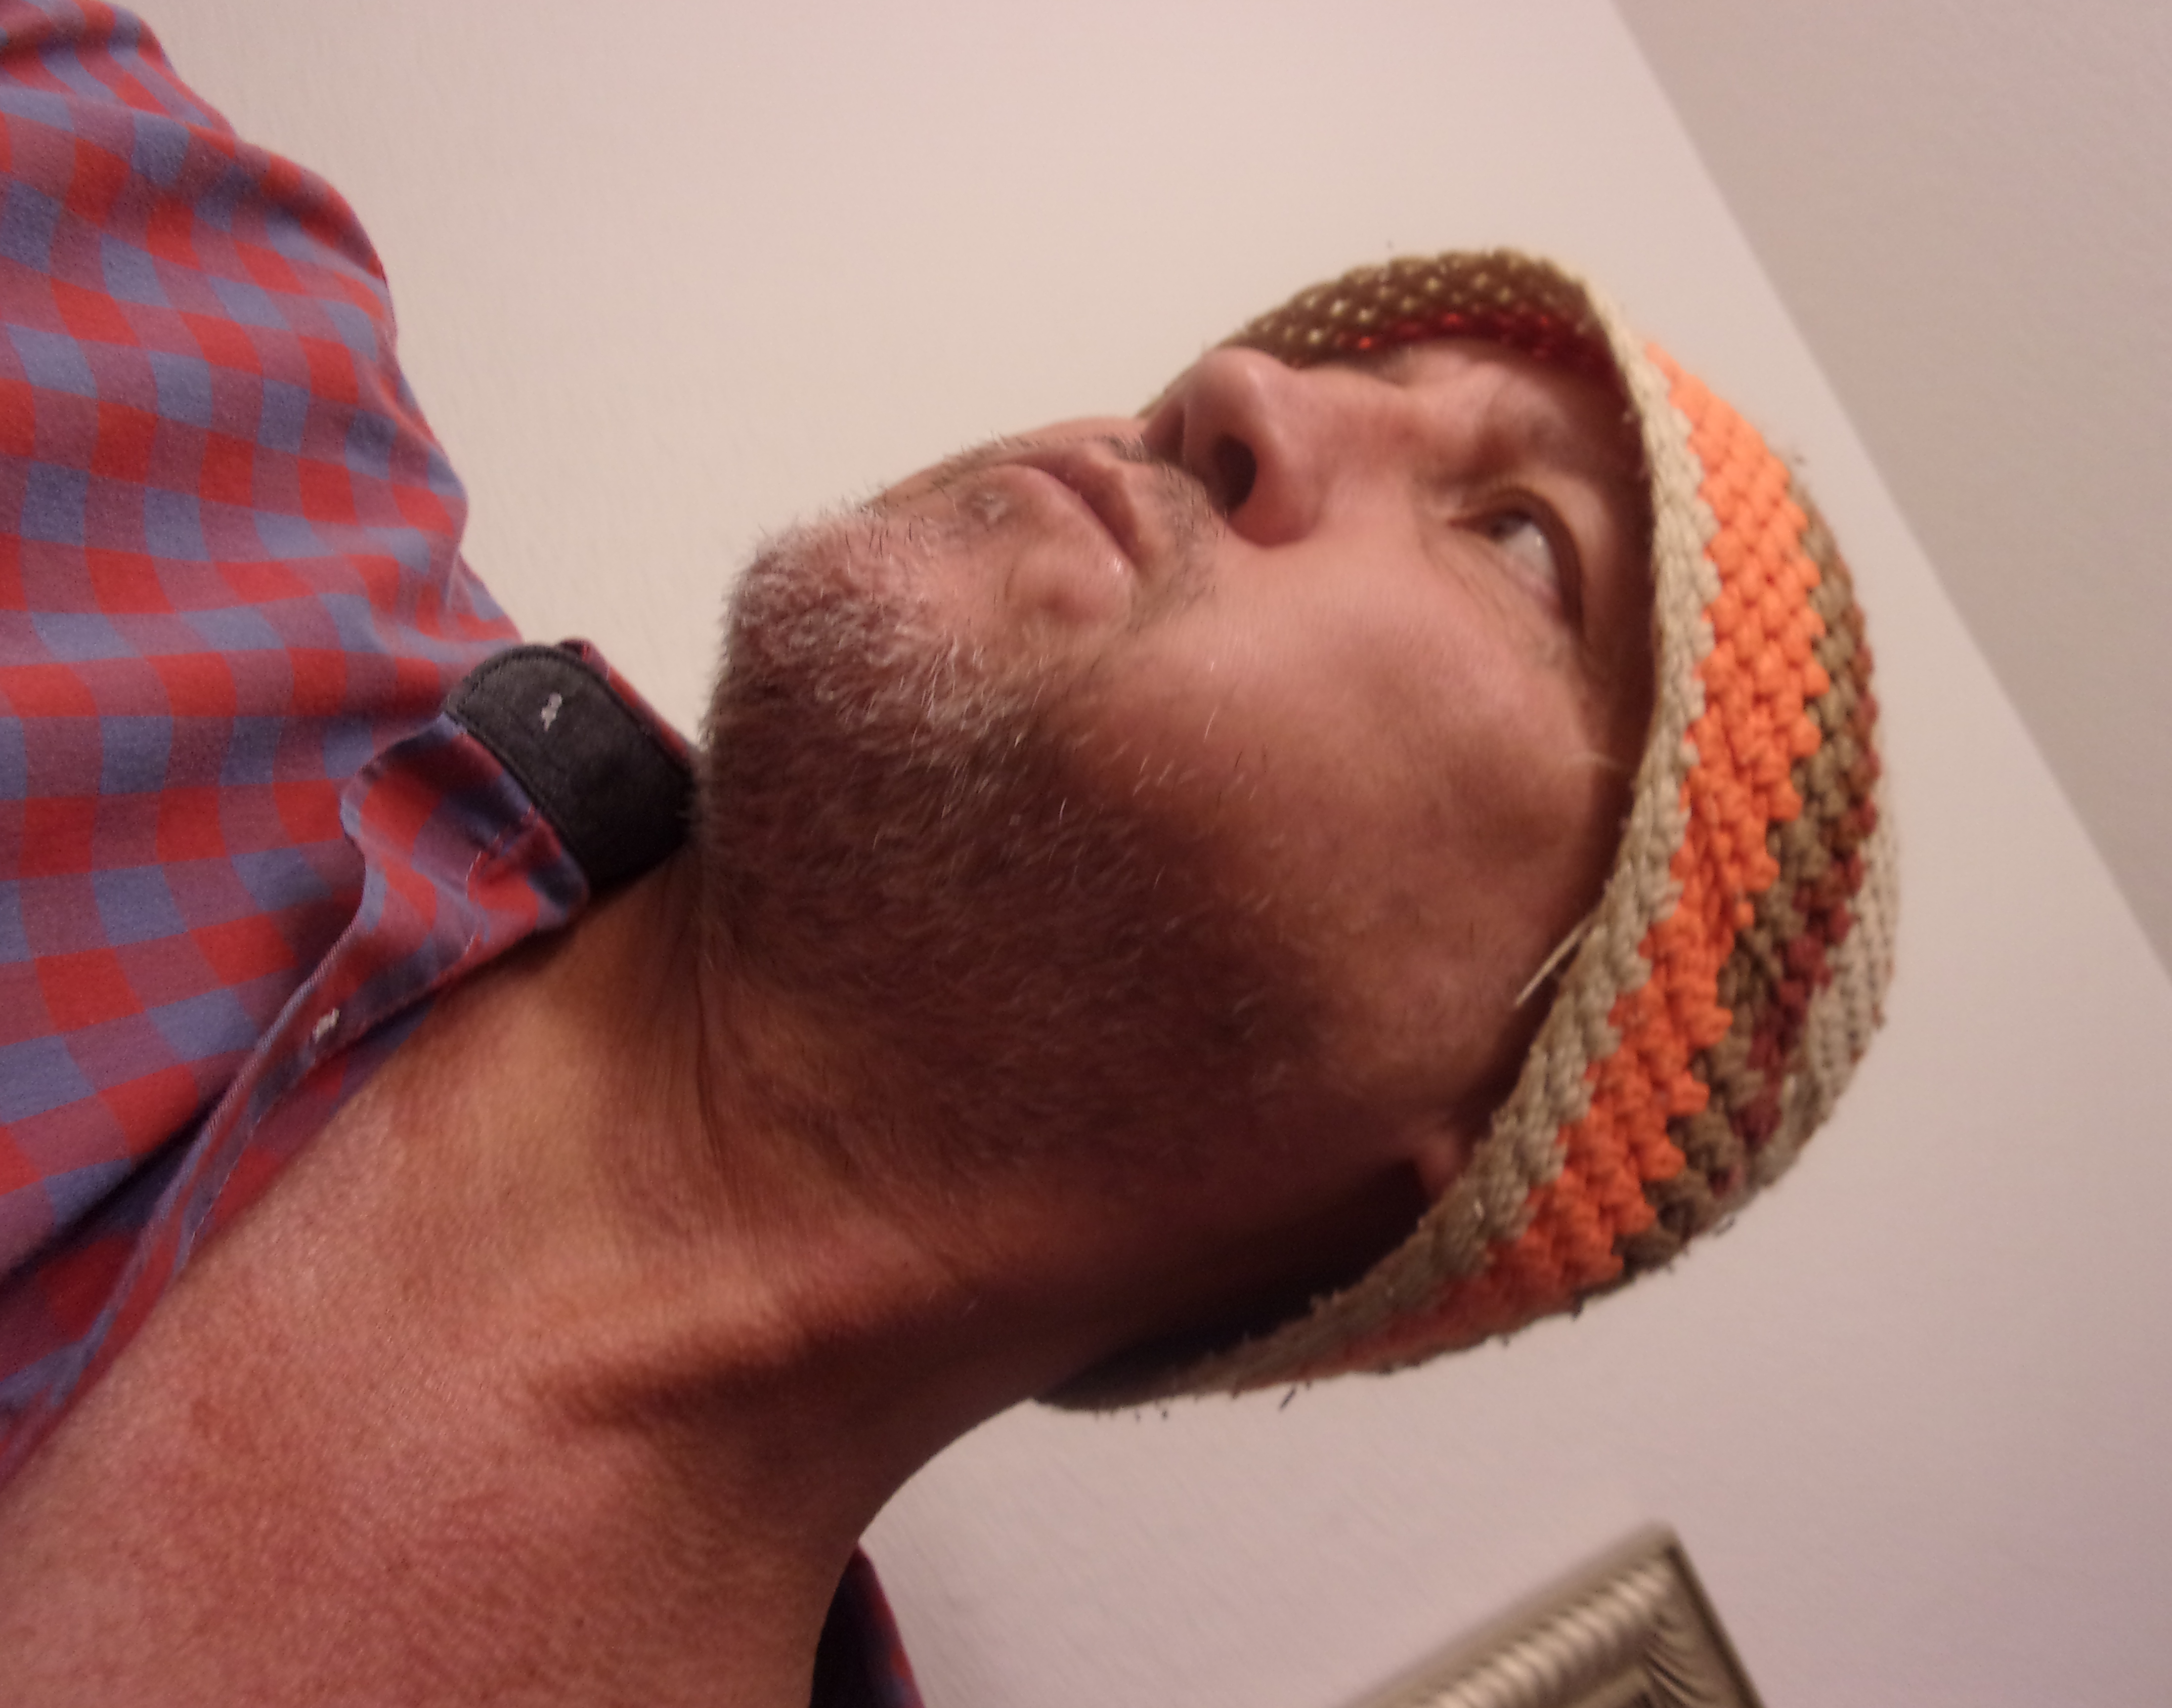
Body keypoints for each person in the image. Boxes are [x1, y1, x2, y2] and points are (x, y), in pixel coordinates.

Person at [0, 3, 1893, 1704]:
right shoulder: (136, 313)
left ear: (1502, 1133)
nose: (1236, 384)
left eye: (1515, 537)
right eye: (1346, 366)